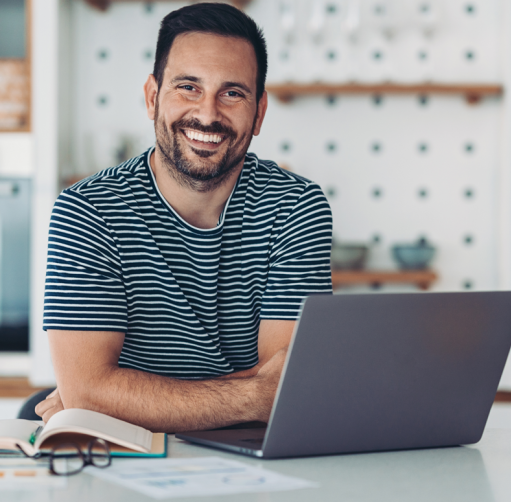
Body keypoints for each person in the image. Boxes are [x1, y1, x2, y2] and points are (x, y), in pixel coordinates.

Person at [35, 3, 332, 433]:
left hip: (255, 464)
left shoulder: (296, 208)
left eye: (233, 93)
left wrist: (114, 396)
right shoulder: (87, 211)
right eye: (188, 87)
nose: (208, 114)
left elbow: (285, 388)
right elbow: (265, 392)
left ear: (260, 112)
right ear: (153, 97)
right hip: (124, 459)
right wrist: (93, 394)